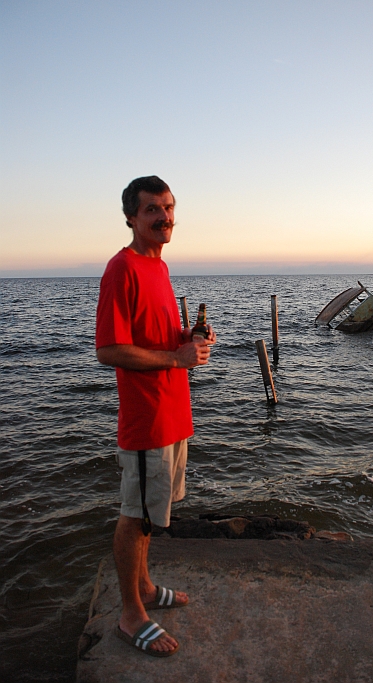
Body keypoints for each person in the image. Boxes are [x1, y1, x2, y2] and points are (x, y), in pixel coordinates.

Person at [95, 175, 216, 658]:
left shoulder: (158, 269)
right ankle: (130, 614)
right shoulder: (121, 267)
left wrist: (187, 337)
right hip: (146, 418)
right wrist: (176, 360)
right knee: (134, 516)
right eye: (153, 210)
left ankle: (144, 587)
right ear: (131, 217)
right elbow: (109, 350)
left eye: (168, 208)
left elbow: (155, 336)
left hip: (173, 412)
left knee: (150, 517)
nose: (165, 217)